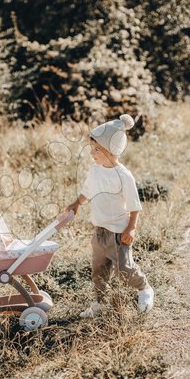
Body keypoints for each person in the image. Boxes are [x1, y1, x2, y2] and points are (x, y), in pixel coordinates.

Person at [65, 114, 154, 318]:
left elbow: (134, 206)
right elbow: (87, 192)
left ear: (112, 151)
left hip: (118, 233)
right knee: (98, 271)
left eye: (97, 149)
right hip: (100, 231)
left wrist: (131, 227)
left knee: (124, 269)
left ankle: (144, 288)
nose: (92, 153)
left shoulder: (124, 176)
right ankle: (99, 303)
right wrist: (76, 204)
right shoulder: (95, 171)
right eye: (91, 148)